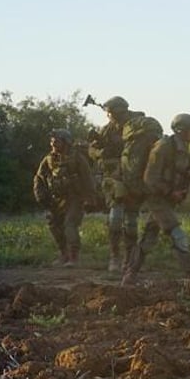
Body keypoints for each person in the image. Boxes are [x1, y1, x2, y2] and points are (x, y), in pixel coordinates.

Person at [122, 113, 190, 285]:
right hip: (157, 198)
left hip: (167, 199)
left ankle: (130, 273)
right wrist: (170, 192)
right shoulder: (163, 147)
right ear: (181, 130)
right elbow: (149, 179)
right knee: (177, 233)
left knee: (149, 236)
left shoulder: (184, 147)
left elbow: (176, 170)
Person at [87, 96, 145, 273]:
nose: (108, 117)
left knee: (132, 222)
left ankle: (130, 257)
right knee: (115, 219)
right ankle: (115, 256)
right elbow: (92, 150)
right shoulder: (107, 130)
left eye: (111, 113)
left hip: (134, 177)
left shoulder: (137, 127)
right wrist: (100, 152)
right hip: (114, 178)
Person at [32, 129, 97, 267]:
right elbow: (39, 177)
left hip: (75, 198)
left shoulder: (77, 158)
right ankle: (64, 254)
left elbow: (88, 178)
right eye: (52, 140)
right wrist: (41, 195)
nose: (53, 143)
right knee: (54, 225)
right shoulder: (49, 158)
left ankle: (73, 258)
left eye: (57, 140)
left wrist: (89, 198)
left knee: (70, 225)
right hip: (56, 198)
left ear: (66, 142)